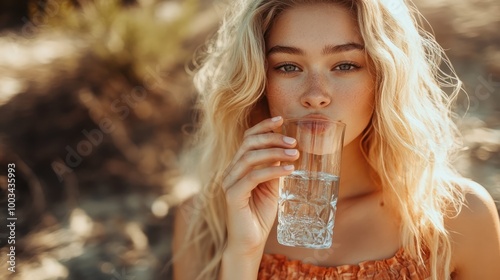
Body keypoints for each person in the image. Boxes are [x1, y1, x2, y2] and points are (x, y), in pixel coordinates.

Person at [172, 0, 500, 279]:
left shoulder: (459, 218)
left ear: (382, 77)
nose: (316, 95)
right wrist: (242, 256)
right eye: (288, 66)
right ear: (261, 81)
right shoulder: (203, 221)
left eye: (344, 65)